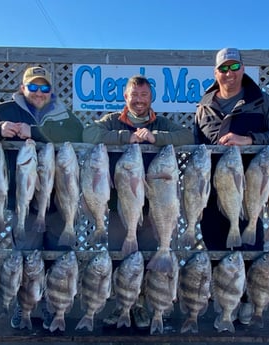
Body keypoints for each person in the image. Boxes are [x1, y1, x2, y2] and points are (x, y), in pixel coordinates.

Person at [0, 66, 84, 329]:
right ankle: (25, 307)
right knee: (26, 259)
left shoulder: (62, 113)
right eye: (33, 87)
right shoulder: (2, 110)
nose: (39, 92)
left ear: (50, 91)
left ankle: (54, 308)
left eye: (44, 88)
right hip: (23, 202)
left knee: (58, 257)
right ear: (22, 88)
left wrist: (36, 133)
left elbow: (78, 135)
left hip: (58, 202)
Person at [83, 75, 194, 329]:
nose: (139, 100)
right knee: (120, 257)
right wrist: (125, 138)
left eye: (144, 95)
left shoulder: (161, 122)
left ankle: (141, 305)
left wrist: (157, 138)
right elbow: (89, 133)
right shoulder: (112, 121)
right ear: (125, 97)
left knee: (145, 257)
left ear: (151, 98)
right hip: (119, 204)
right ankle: (121, 305)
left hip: (154, 205)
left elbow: (187, 136)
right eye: (134, 95)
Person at [194, 48, 269, 324]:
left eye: (234, 66)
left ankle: (249, 301)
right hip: (213, 191)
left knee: (251, 249)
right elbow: (196, 149)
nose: (229, 73)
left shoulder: (261, 102)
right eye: (223, 68)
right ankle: (225, 302)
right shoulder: (203, 107)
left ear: (243, 68)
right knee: (215, 248)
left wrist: (249, 140)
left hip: (252, 188)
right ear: (215, 73)